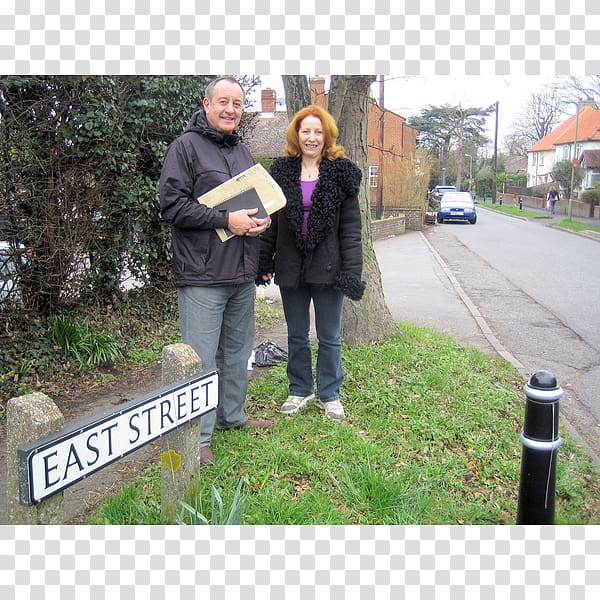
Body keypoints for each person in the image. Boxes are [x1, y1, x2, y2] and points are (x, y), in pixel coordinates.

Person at [159, 76, 272, 466]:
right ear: (206, 104)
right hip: (202, 275)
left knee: (238, 352)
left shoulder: (243, 152)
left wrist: (260, 221)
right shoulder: (184, 148)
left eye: (238, 104)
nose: (230, 110)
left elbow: (255, 204)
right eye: (223, 102)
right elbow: (172, 206)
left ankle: (232, 416)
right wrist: (227, 219)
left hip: (241, 272)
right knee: (201, 359)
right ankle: (199, 436)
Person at [257, 105, 365, 421]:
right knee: (296, 334)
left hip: (329, 268)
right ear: (297, 135)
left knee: (330, 336)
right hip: (291, 266)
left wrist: (351, 272)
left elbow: (351, 229)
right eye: (306, 131)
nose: (312, 137)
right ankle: (300, 389)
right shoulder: (281, 172)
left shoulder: (342, 173)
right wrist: (265, 259)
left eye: (318, 132)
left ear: (327, 135)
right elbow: (271, 221)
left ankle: (330, 394)